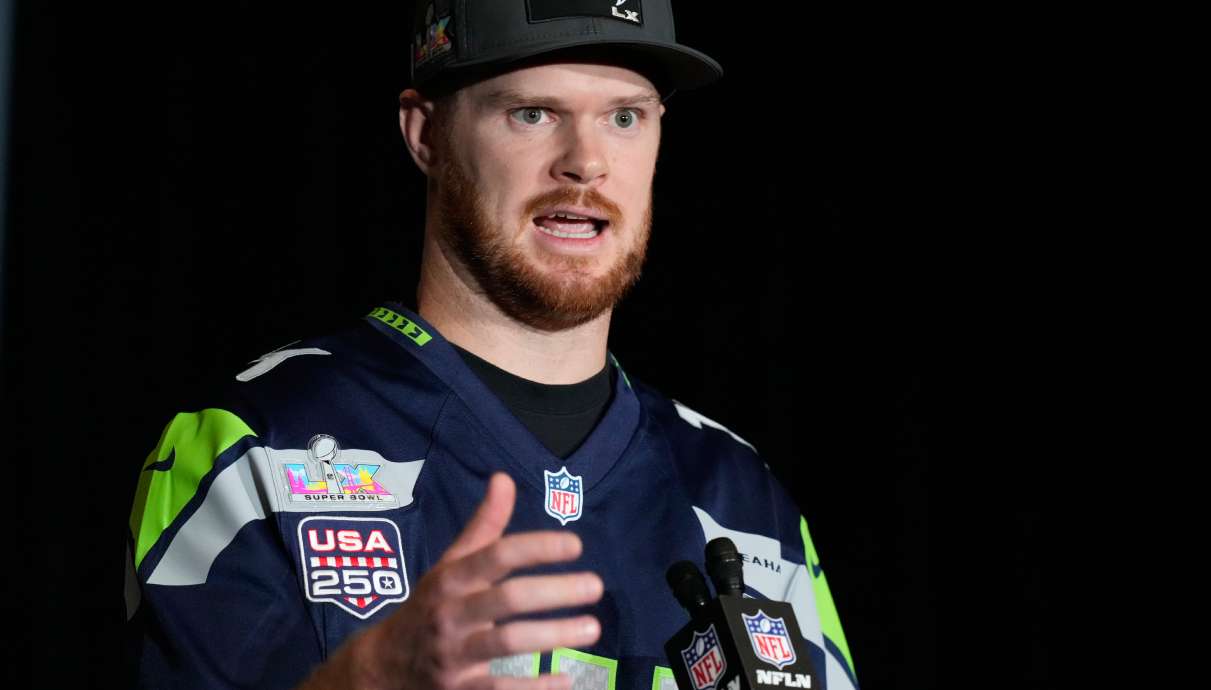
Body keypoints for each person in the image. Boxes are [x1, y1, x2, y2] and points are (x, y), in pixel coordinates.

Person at [124, 2, 858, 689]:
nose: (586, 163)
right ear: (426, 135)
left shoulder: (742, 497)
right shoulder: (256, 444)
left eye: (625, 117)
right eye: (532, 114)